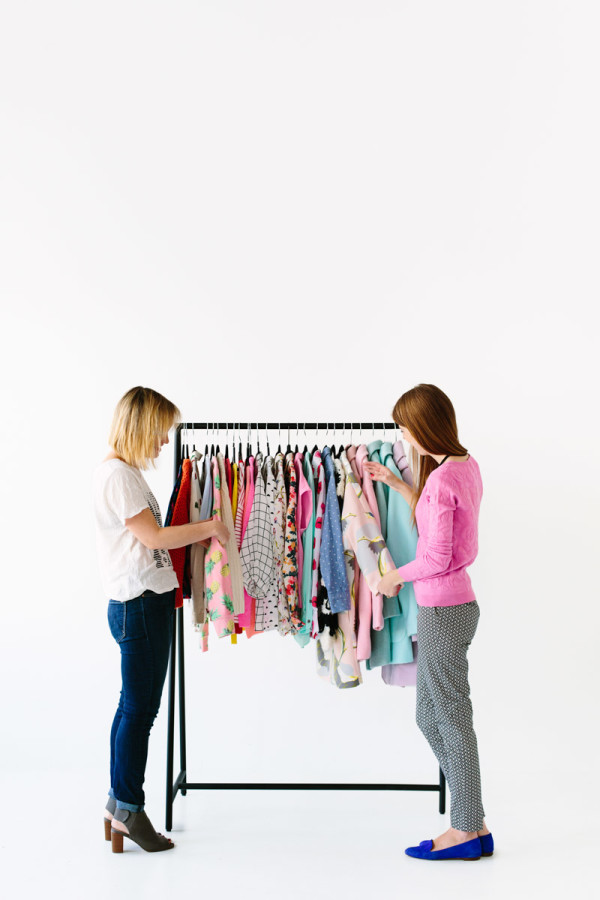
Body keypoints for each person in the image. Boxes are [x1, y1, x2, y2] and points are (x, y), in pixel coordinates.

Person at [92, 386, 229, 853]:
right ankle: (129, 807)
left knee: (133, 708)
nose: (163, 443)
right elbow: (152, 537)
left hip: (141, 605)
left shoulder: (122, 473)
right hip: (141, 605)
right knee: (139, 712)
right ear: (141, 426)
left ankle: (118, 803)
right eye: (160, 432)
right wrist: (210, 527)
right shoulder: (118, 476)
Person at [365, 383, 493, 862]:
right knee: (430, 715)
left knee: (453, 720)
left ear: (424, 426)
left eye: (405, 427)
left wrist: (391, 579)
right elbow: (444, 518)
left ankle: (463, 829)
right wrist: (399, 486)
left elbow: (437, 555)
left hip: (442, 609)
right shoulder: (463, 467)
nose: (403, 436)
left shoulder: (440, 480)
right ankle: (473, 818)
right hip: (456, 607)